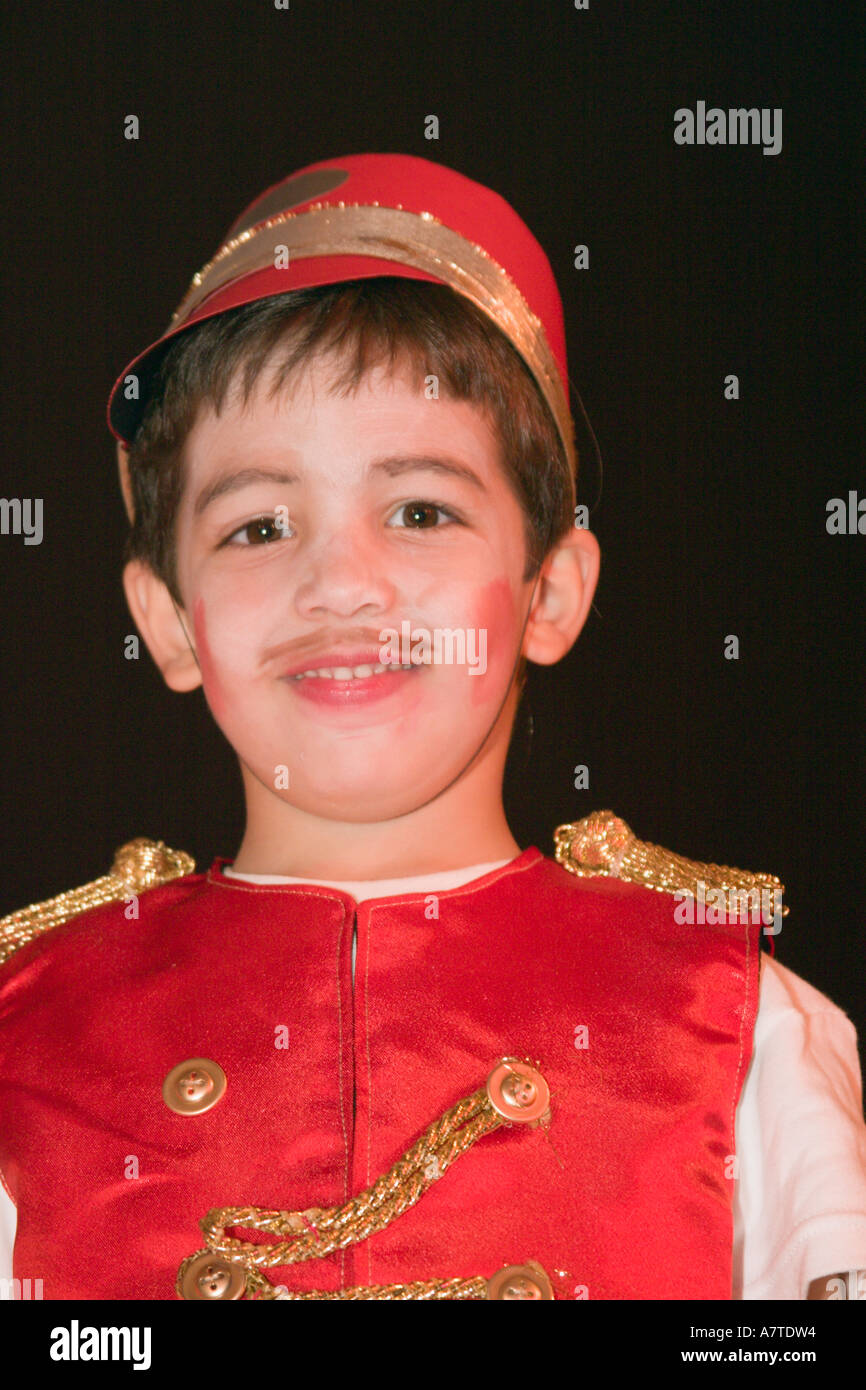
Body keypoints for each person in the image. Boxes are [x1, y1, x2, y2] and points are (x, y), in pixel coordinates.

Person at [1, 153, 864, 1301]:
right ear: (167, 620)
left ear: (548, 592)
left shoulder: (735, 1022)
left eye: (419, 510)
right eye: (259, 527)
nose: (340, 583)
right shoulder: (27, 1036)